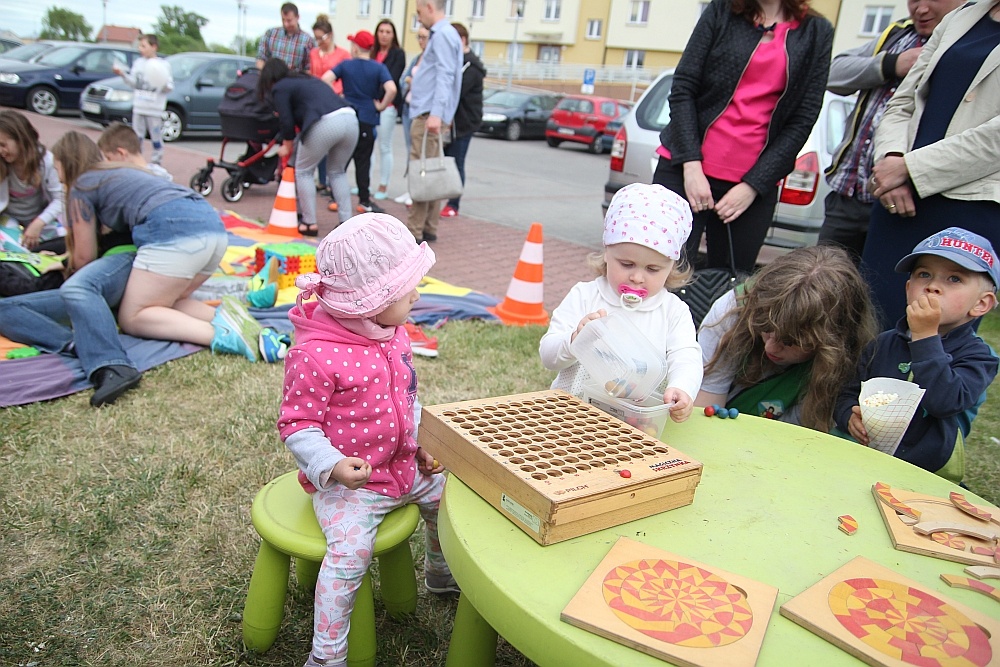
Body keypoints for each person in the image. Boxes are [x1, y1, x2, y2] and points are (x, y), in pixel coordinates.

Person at [277, 212, 458, 667]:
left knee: (453, 502)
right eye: (405, 290)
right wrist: (332, 465)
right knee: (349, 554)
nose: (416, 294)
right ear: (366, 302)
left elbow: (407, 399)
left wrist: (422, 442)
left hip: (406, 468)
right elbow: (297, 425)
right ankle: (327, 655)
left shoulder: (392, 333)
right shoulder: (314, 355)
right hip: (354, 487)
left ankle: (440, 571)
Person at [53, 132, 274, 366]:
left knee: (134, 316)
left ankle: (224, 336)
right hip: (214, 230)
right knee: (165, 302)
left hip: (173, 234)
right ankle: (236, 322)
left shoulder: (82, 184)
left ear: (68, 163)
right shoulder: (122, 172)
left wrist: (67, 264)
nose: (57, 178)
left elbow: (84, 256)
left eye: (56, 169)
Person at [652, 0, 833, 274]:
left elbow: (803, 117)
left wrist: (753, 186)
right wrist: (690, 164)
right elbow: (683, 88)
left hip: (753, 184)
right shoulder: (721, 11)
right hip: (685, 169)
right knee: (661, 273)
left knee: (731, 287)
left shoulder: (816, 31)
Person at [865, 0, 1000, 328]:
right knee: (865, 329)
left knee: (940, 344)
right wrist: (892, 160)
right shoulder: (962, 16)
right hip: (898, 200)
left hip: (970, 208)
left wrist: (911, 169)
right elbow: (902, 101)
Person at [835, 228, 999, 483]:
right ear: (909, 288)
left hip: (926, 473)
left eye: (954, 279)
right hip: (861, 456)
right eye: (924, 275)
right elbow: (847, 391)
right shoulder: (884, 342)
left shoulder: (980, 357)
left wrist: (925, 337)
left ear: (981, 304)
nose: (933, 287)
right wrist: (848, 415)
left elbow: (944, 402)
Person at [539, 184, 703, 423]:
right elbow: (548, 356)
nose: (637, 277)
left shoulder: (673, 312)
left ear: (671, 267)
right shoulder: (584, 295)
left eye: (652, 269)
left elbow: (686, 355)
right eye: (626, 264)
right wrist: (574, 340)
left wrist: (682, 387)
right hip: (568, 417)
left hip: (632, 426)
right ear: (607, 252)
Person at [820, 0, 963, 262]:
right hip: (849, 194)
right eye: (914, 0)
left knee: (884, 295)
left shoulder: (966, 45)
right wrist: (889, 65)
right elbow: (831, 73)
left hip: (907, 203)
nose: (920, 9)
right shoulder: (897, 34)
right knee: (822, 289)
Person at [697, 244, 879, 431]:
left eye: (790, 342)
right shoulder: (733, 311)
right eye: (766, 329)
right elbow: (703, 411)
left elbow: (796, 434)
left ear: (830, 342)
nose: (771, 348)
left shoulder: (844, 359)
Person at [258, 57, 360, 237]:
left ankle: (309, 222)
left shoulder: (280, 87)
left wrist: (287, 144)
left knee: (303, 171)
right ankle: (346, 222)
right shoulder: (306, 79)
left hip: (324, 122)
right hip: (350, 118)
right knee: (337, 171)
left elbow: (286, 120)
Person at [406, 0, 464, 243]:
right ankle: (428, 227)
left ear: (430, 6)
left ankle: (414, 231)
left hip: (429, 114)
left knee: (423, 172)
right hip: (433, 113)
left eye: (419, 12)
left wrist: (436, 114)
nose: (419, 18)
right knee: (433, 171)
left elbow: (444, 75)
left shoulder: (441, 35)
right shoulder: (448, 34)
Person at [322, 31, 396, 216]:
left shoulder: (346, 65)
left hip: (347, 117)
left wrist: (337, 98)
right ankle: (364, 200)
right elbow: (392, 89)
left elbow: (325, 79)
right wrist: (381, 106)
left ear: (355, 47)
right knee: (363, 162)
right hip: (367, 120)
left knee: (340, 161)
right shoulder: (378, 68)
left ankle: (335, 197)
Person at [0, 110, 64, 253]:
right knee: (12, 244)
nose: (1, 151)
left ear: (21, 139)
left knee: (67, 237)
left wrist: (38, 223)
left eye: (3, 144)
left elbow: (61, 199)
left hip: (40, 220)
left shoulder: (47, 162)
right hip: (8, 220)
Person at [440, 23, 485, 219]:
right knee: (445, 162)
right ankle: (438, 198)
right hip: (450, 122)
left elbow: (455, 92)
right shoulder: (455, 61)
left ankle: (453, 204)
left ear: (462, 40)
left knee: (456, 163)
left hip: (463, 123)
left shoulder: (470, 66)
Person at [112, 33, 173, 166]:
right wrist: (122, 74)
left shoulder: (163, 64)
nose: (140, 49)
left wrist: (161, 84)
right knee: (137, 136)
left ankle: (156, 162)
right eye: (140, 46)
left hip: (154, 109)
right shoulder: (138, 63)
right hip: (139, 106)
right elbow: (134, 83)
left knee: (155, 136)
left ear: (154, 47)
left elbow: (169, 86)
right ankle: (136, 160)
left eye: (144, 46)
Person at [309, 14, 351, 197]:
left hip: (335, 100)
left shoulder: (343, 55)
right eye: (316, 38)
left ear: (331, 35)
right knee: (318, 140)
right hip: (317, 101)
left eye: (322, 38)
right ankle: (321, 180)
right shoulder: (313, 53)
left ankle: (332, 182)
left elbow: (346, 78)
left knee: (333, 144)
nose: (319, 42)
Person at [393, 26, 430, 208]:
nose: (421, 41)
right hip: (409, 107)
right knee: (410, 151)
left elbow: (423, 84)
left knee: (419, 153)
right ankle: (410, 189)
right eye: (419, 37)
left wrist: (413, 82)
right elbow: (404, 79)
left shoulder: (431, 60)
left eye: (424, 37)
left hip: (421, 111)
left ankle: (416, 193)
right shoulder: (417, 58)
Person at [371, 19, 405, 201]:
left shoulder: (398, 54)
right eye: (381, 31)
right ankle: (366, 183)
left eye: (388, 32)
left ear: (393, 35)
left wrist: (380, 100)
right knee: (367, 146)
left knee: (385, 145)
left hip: (387, 104)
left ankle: (383, 184)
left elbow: (391, 78)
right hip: (371, 104)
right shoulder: (372, 52)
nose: (384, 35)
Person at [255, 2, 314, 73]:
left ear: (297, 17)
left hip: (294, 81)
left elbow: (308, 68)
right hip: (272, 80)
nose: (286, 24)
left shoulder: (307, 40)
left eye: (289, 20)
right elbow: (260, 58)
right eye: (283, 20)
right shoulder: (271, 34)